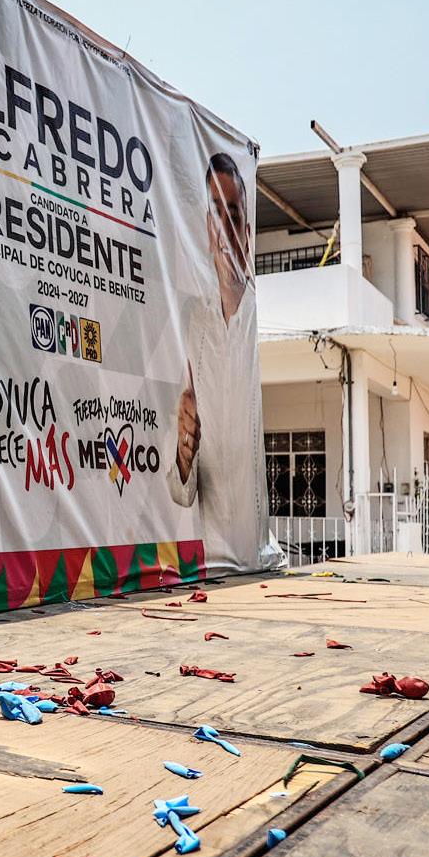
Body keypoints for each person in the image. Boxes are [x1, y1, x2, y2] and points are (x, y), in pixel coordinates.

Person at [168, 152, 274, 575]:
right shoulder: (193, 325)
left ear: (246, 232)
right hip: (209, 565)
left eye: (234, 213)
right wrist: (183, 452)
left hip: (255, 560)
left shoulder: (256, 320)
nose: (225, 228)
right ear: (207, 229)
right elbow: (181, 491)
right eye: (216, 213)